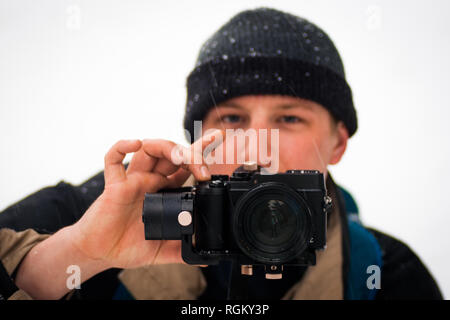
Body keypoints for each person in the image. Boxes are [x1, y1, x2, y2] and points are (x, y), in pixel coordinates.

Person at [0, 7, 443, 300]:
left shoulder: (386, 275)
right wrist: (78, 253)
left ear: (338, 143)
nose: (258, 141)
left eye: (290, 118)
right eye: (231, 119)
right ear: (197, 139)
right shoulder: (95, 212)